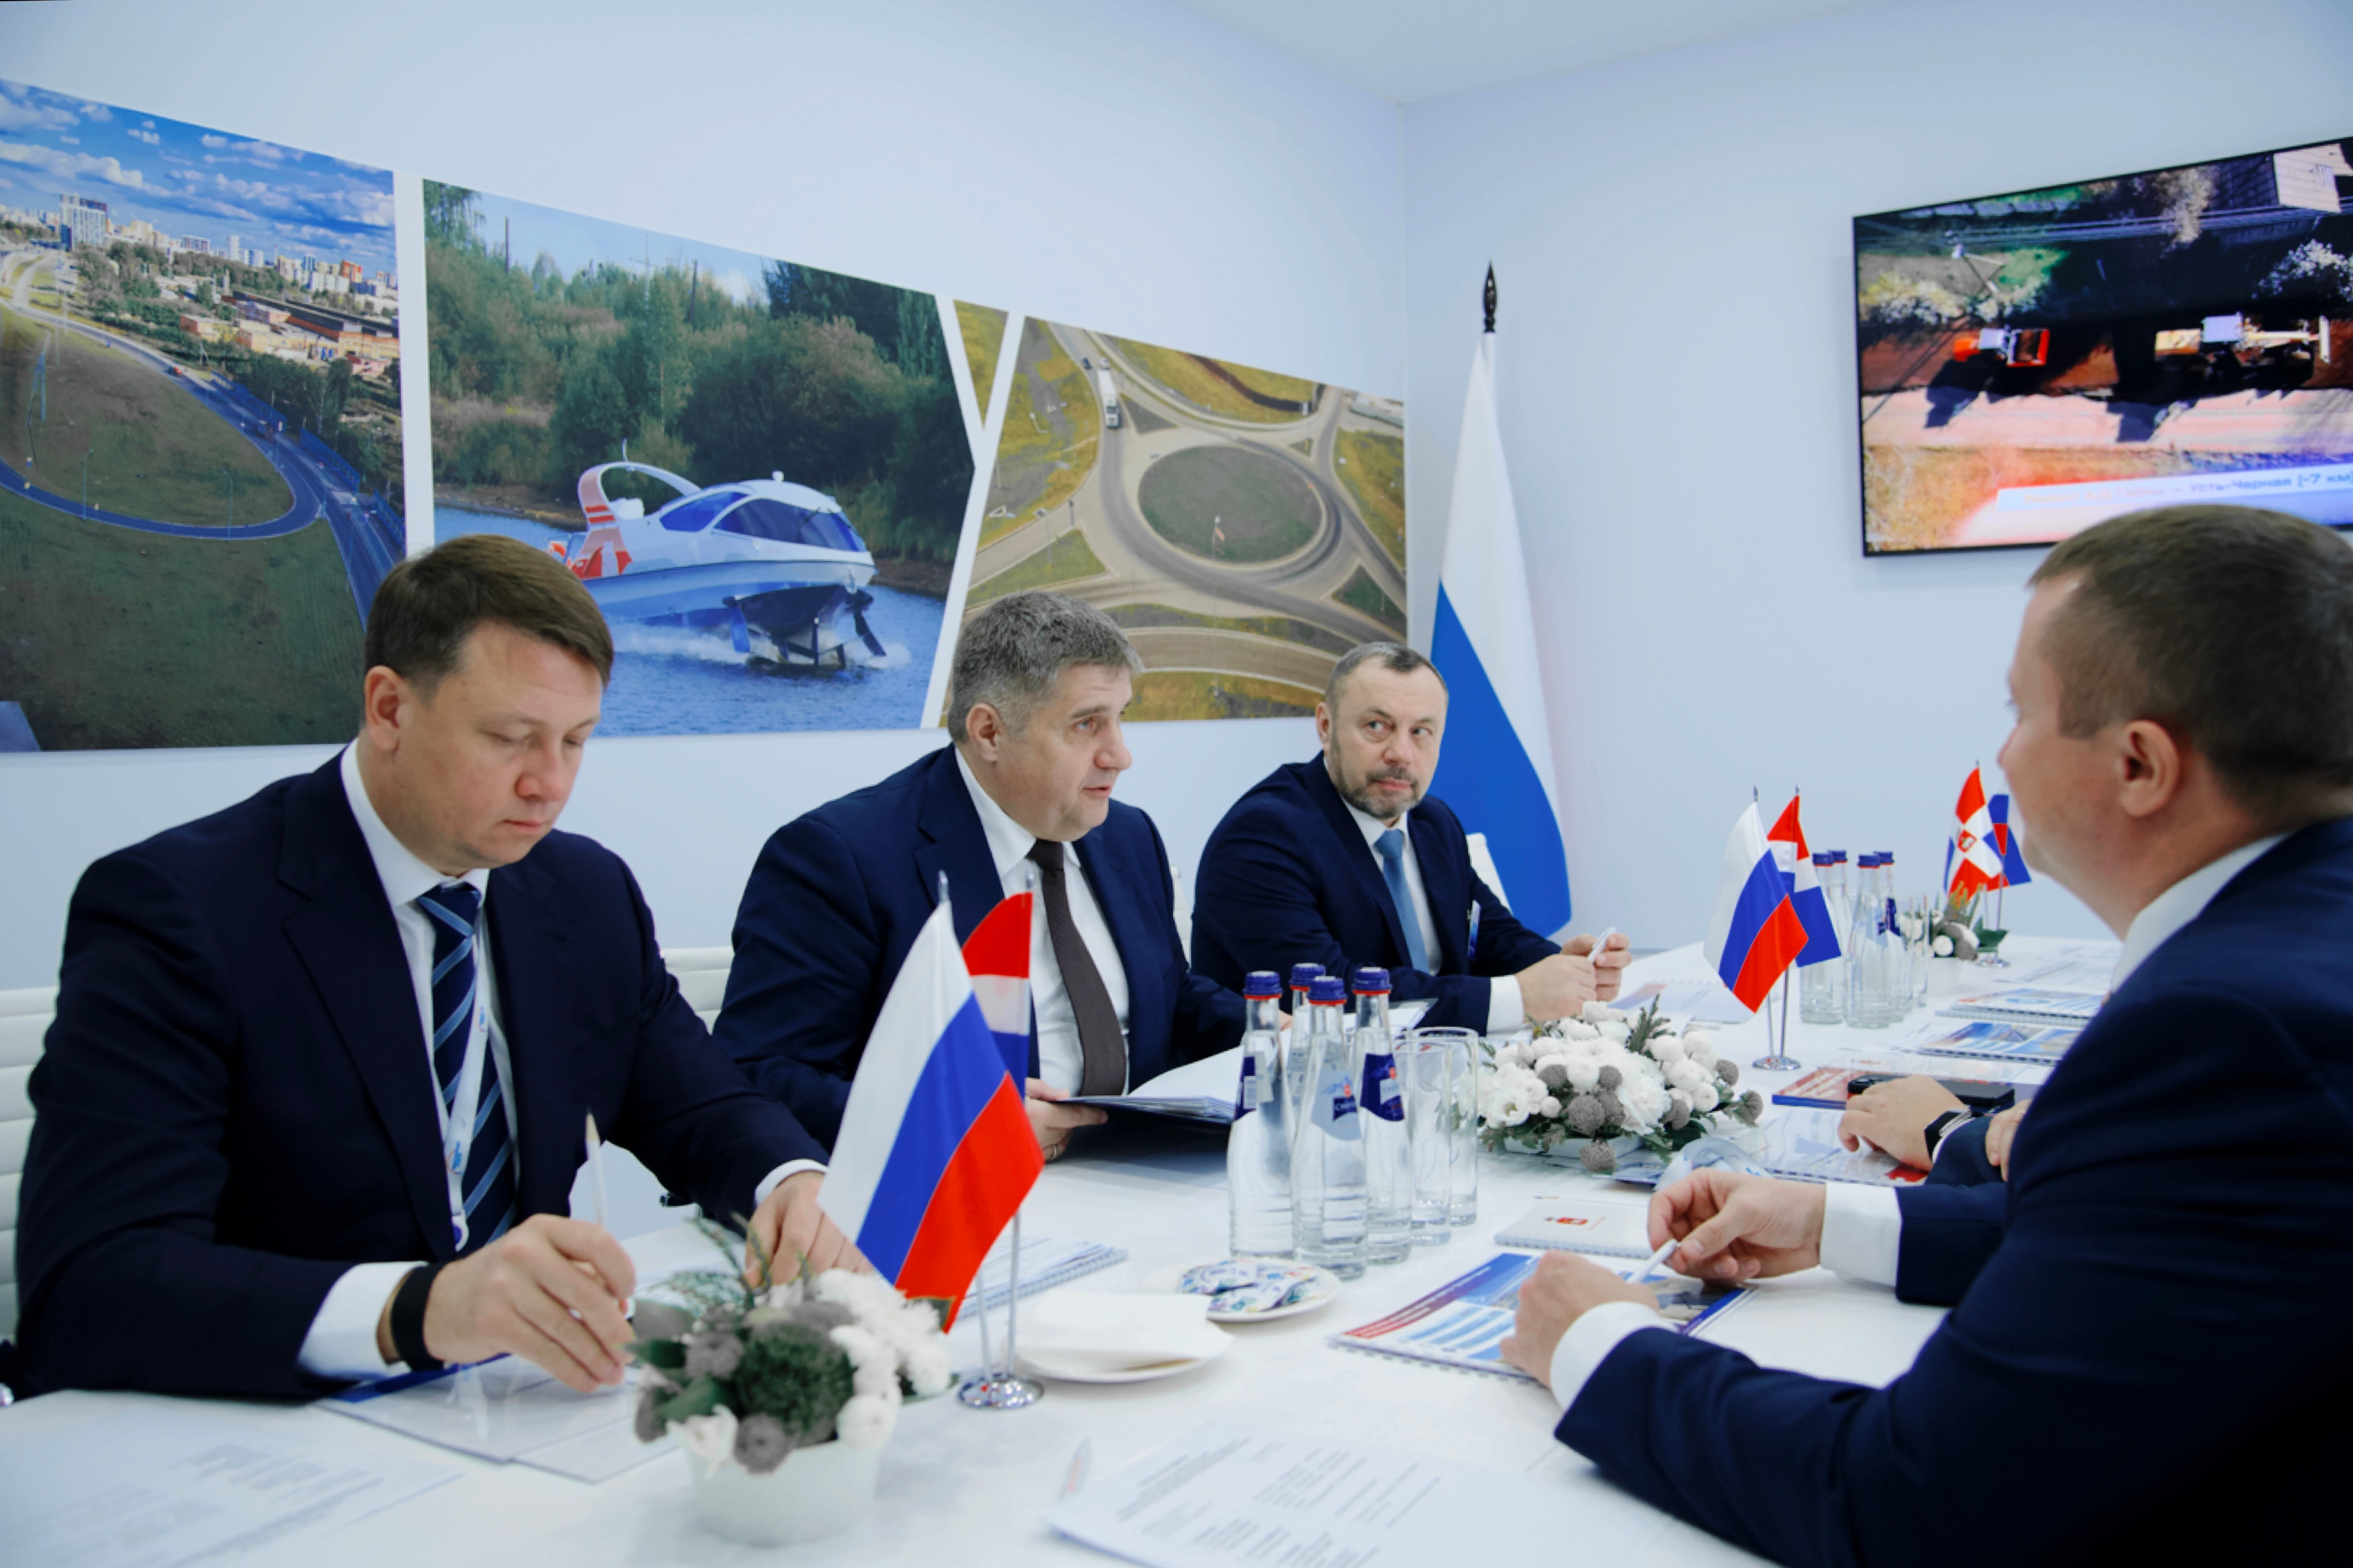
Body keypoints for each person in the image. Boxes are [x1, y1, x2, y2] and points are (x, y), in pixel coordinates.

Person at [1499, 504, 2353, 1564]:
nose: (2001, 752)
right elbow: (2160, 1249)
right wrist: (1833, 1222)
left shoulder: (2222, 1031)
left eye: (2020, 711)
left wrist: (1599, 1342)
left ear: (2139, 764)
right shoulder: (2302, 940)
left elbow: (1910, 1501)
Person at [13, 535, 855, 1403]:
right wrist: (416, 1309)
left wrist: (790, 1180)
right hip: (269, 1418)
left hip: (516, 1412)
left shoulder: (584, 892)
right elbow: (88, 1285)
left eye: (576, 740)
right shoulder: (179, 910)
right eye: (511, 738)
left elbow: (703, 1107)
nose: (550, 784)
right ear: (389, 708)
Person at [716, 592, 1243, 1159]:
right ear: (990, 732)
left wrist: (1277, 1032)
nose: (1119, 755)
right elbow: (762, 1077)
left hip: (1140, 1169)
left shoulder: (1126, 835)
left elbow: (1168, 994)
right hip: (961, 1184)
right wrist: (962, 1124)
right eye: (1087, 724)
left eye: (1120, 719)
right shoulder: (840, 858)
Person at [1190, 641, 1625, 1032]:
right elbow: (1330, 993)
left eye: (1420, 732)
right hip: (1297, 1082)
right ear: (1325, 726)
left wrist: (1562, 967)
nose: (1401, 754)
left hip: (1438, 1067)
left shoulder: (1433, 821)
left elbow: (1488, 936)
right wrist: (1520, 997)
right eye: (1377, 726)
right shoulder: (1262, 837)